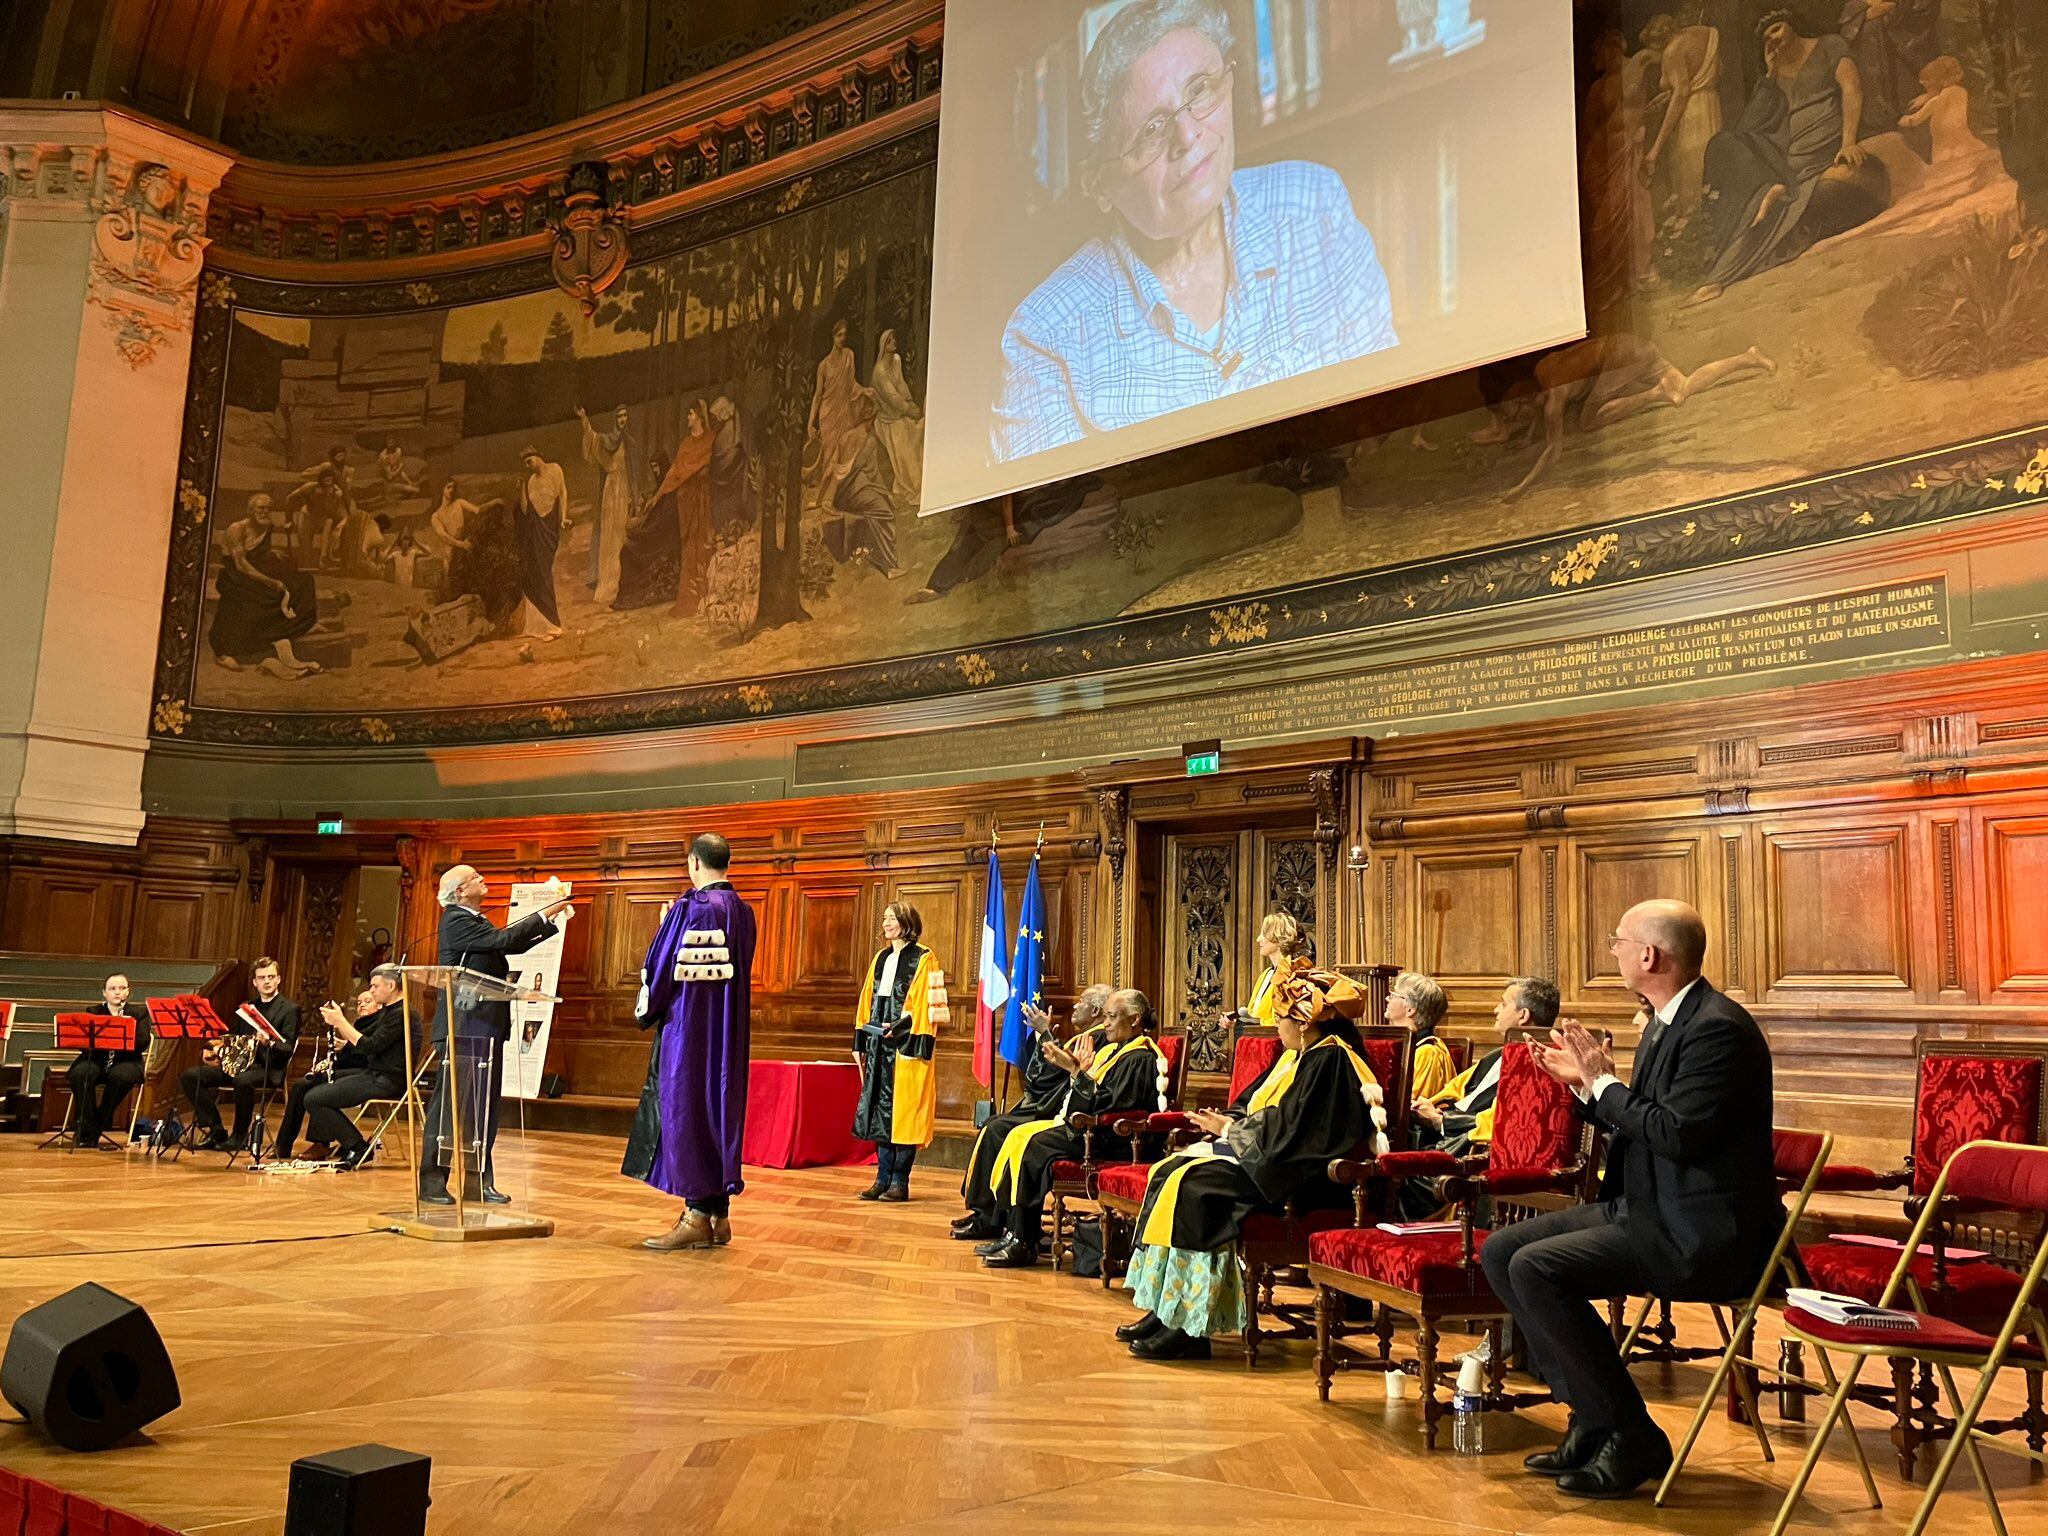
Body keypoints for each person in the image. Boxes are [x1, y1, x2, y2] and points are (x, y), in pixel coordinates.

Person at [992, 0, 1396, 464]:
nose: (1187, 137)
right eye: (1152, 128)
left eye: (1200, 90)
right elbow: (1053, 510)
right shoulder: (1045, 337)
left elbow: (1385, 426)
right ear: (1100, 185)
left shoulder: (1313, 206)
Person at [1482, 900, 1777, 1499]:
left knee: (1536, 1268)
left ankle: (1628, 1432)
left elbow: (1677, 1135)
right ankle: (1596, 1419)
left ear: (1649, 955)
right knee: (1501, 1250)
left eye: (1618, 941)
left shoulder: (1716, 1029)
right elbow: (1645, 1123)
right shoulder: (1672, 1020)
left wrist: (1602, 1083)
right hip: (1649, 1208)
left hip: (1698, 1231)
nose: (1612, 950)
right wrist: (1590, 1089)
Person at [1118, 967, 1387, 1359]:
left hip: (1301, 1174)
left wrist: (1232, 1131)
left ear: (1304, 1022)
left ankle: (1191, 1326)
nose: (1276, 1025)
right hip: (1269, 1157)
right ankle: (1164, 1307)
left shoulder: (1330, 1061)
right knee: (1169, 1171)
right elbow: (1254, 1104)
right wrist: (1226, 1123)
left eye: (1280, 1017)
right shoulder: (1299, 1056)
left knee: (1196, 1187)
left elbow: (1296, 1131)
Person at [1685, 13, 1888, 307]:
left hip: (1824, 152)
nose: (1773, 38)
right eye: (1767, 37)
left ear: (1790, 23)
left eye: (1776, 29)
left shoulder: (1829, 45)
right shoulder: (1777, 72)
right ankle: (1717, 277)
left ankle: (1717, 279)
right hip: (1789, 160)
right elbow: (1748, 126)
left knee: (1779, 210)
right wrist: (1769, 76)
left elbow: (1852, 87)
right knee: (1723, 143)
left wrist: (1848, 142)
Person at [624, 833, 756, 1250]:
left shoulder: (690, 908)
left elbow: (662, 967)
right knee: (717, 1108)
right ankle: (719, 1215)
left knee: (688, 1109)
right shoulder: (744, 912)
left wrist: (666, 927)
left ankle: (696, 1215)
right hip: (728, 1031)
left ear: (694, 863)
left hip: (690, 1031)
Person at [979, 988, 1168, 1269]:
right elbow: (1096, 1096)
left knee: (1034, 1144)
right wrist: (1075, 1070)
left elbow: (1109, 1106)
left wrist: (1076, 1071)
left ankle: (1024, 1241)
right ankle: (1013, 1232)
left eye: (1112, 1017)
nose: (1106, 1024)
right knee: (1019, 1135)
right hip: (1091, 1128)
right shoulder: (1115, 1051)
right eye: (1105, 1016)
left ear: (1135, 1019)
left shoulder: (1140, 1058)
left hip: (1110, 1137)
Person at [418, 865, 571, 1205]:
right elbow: (502, 941)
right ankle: (432, 1184)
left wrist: (549, 920)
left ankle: (478, 1184)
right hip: (462, 1026)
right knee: (449, 1110)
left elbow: (510, 948)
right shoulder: (456, 919)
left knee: (483, 1111)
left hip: (484, 1027)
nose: (482, 879)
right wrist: (544, 913)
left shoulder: (476, 920)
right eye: (475, 877)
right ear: (459, 891)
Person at [952, 985, 1112, 1241]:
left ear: (1095, 1010)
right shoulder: (1083, 1038)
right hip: (1056, 1105)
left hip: (1065, 1113)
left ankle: (995, 1220)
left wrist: (1046, 1034)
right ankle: (988, 1215)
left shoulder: (1097, 1040)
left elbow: (1051, 1079)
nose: (1075, 1005)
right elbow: (1043, 1079)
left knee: (998, 1129)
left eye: (1081, 1001)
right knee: (994, 1125)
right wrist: (1045, 1035)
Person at [270, 971, 408, 1169]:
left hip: (385, 1078)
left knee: (315, 1097)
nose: (371, 990)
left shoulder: (400, 1014)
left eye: (375, 986)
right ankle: (354, 1145)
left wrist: (340, 1021)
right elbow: (367, 1042)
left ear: (391, 986)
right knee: (312, 1093)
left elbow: (370, 1046)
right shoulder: (391, 1011)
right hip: (374, 1074)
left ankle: (354, 1146)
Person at [1412, 975, 1561, 1159]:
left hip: (1468, 1148)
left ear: (1523, 1016)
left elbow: (1502, 1121)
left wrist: (1440, 1120)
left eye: (1503, 1004)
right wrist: (1431, 1106)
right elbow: (1455, 1090)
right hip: (1447, 1131)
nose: (1495, 1010)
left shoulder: (1536, 1065)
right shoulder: (1499, 1054)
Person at [850, 902, 942, 1199]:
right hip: (879, 1048)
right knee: (880, 1112)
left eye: (891, 918)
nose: (886, 923)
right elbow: (866, 1000)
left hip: (906, 1049)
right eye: (885, 918)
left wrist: (899, 1029)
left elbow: (927, 1006)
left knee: (905, 1116)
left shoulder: (924, 958)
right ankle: (881, 1178)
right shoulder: (881, 958)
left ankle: (899, 1182)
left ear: (906, 922)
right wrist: (861, 1041)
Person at [181, 955, 301, 1153]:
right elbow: (233, 1040)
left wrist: (269, 1042)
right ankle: (216, 1129)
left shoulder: (290, 1009)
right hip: (239, 1065)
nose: (267, 981)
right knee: (191, 1076)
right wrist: (214, 1049)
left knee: (242, 1080)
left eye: (271, 977)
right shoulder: (246, 1008)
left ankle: (240, 1135)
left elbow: (287, 1049)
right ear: (255, 982)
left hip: (268, 1068)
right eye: (262, 978)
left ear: (278, 979)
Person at [615, 399, 714, 616]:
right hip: (684, 502)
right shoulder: (686, 443)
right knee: (689, 546)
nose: (688, 417)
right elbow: (674, 473)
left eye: (690, 413)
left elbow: (708, 466)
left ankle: (705, 589)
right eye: (688, 414)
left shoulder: (710, 439)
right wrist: (656, 497)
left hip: (701, 499)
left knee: (701, 542)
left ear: (699, 415)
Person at [207, 495, 321, 680]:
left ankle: (296, 626)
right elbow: (241, 565)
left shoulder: (267, 526)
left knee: (304, 581)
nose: (265, 512)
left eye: (268, 508)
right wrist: (271, 582)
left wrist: (272, 553)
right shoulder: (237, 529)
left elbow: (257, 552)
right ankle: (225, 652)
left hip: (256, 570)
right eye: (260, 508)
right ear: (250, 511)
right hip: (236, 577)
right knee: (263, 596)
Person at [1640, 14, 1724, 216]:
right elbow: (1717, 70)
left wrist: (1655, 149)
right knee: (1714, 167)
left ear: (1659, 40)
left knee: (1693, 175)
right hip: (1711, 105)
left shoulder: (1672, 52)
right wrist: (1666, 96)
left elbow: (1682, 93)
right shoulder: (1706, 33)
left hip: (1690, 118)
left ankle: (1695, 225)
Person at [820, 395, 902, 577]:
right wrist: (886, 494)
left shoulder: (845, 437)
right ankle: (889, 566)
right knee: (886, 512)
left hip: (843, 494)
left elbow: (834, 469)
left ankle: (879, 557)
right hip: (856, 493)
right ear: (872, 416)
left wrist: (828, 498)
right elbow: (873, 474)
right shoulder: (868, 441)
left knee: (875, 513)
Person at [65, 973, 149, 1149]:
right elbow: (84, 1044)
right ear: (104, 992)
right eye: (112, 988)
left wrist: (125, 1030)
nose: (117, 992)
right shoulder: (93, 1012)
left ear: (128, 991)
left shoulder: (139, 1013)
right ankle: (87, 1128)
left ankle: (94, 1127)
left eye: (122, 988)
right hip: (97, 1059)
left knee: (120, 1077)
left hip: (127, 1061)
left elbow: (143, 1042)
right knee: (80, 1074)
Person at [577, 404, 639, 605]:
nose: (623, 419)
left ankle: (624, 580)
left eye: (625, 415)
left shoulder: (630, 442)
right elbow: (592, 439)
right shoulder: (607, 440)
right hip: (611, 490)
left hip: (625, 489)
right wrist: (584, 419)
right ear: (615, 419)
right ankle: (609, 582)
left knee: (622, 533)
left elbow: (634, 470)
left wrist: (635, 495)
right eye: (619, 416)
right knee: (609, 534)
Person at [869, 328, 924, 509]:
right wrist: (908, 410)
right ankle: (913, 486)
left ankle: (915, 482)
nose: (894, 342)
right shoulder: (880, 371)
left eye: (894, 339)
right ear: (884, 346)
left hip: (900, 413)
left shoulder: (897, 360)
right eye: (890, 341)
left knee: (916, 435)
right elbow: (891, 396)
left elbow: (900, 385)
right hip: (887, 419)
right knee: (904, 450)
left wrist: (910, 402)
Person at [516, 445, 568, 639]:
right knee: (535, 572)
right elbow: (526, 510)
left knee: (544, 571)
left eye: (529, 461)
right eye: (525, 463)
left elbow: (562, 493)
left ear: (537, 456)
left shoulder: (555, 469)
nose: (528, 465)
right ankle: (540, 625)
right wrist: (521, 489)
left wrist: (564, 517)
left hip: (550, 527)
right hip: (535, 530)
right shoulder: (531, 481)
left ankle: (554, 625)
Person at [807, 318, 864, 481]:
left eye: (845, 334)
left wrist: (864, 390)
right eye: (839, 335)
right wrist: (810, 423)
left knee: (845, 450)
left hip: (845, 410)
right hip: (828, 414)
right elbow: (818, 395)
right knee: (829, 453)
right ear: (833, 337)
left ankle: (842, 490)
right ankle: (826, 490)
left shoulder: (849, 356)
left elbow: (852, 384)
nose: (842, 338)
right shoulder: (824, 365)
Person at [1385, 969, 1455, 1101]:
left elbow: (1413, 1103)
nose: (1387, 998)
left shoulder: (1427, 1053)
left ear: (1410, 1009)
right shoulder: (1405, 1046)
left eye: (1393, 995)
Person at [1233, 912, 1310, 1027]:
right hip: (1257, 1037)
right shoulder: (1267, 974)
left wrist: (1247, 1021)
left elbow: (1286, 1020)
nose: (1258, 939)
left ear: (1279, 938)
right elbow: (1255, 1015)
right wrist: (1236, 1019)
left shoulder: (1292, 975)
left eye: (1264, 934)